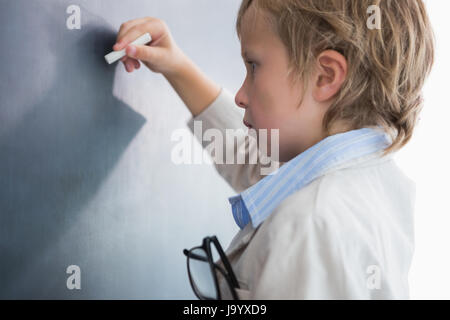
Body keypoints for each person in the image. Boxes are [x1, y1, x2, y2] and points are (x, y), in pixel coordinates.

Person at [113, 0, 434, 299]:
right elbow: (258, 168)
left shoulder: (311, 226)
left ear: (325, 75)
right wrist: (177, 67)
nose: (240, 95)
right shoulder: (371, 177)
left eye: (253, 66)